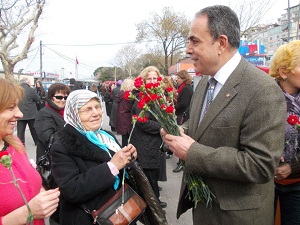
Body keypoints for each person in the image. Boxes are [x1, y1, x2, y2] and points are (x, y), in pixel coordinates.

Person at [161, 5, 286, 225]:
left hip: (238, 217)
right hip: (205, 211)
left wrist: (192, 152)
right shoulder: (204, 84)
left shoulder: (262, 89)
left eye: (195, 41)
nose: (188, 49)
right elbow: (205, 124)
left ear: (221, 43)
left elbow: (260, 165)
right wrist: (182, 131)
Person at [50, 89, 137, 225]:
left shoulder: (106, 136)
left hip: (118, 212)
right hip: (89, 217)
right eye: (87, 109)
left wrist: (129, 158)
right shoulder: (62, 146)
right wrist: (112, 166)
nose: (96, 113)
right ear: (74, 114)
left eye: (97, 107)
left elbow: (122, 171)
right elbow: (72, 189)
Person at [0, 78, 60, 225]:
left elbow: (29, 182)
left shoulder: (14, 144)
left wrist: (42, 194)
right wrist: (26, 213)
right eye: (10, 108)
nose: (19, 114)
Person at [269, 40, 300, 225]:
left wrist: (293, 167)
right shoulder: (264, 96)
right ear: (283, 72)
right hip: (264, 182)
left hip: (297, 184)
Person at [130, 66, 167, 209]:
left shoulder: (156, 95)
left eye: (155, 78)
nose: (152, 81)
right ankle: (153, 208)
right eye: (149, 78)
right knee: (148, 178)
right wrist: (162, 126)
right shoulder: (141, 98)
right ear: (144, 81)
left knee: (151, 176)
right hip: (145, 144)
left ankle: (153, 203)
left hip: (152, 143)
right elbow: (142, 122)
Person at [171, 70, 193, 171]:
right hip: (182, 113)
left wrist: (174, 108)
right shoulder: (183, 88)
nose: (177, 80)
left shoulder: (186, 89)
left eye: (179, 78)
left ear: (183, 78)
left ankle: (182, 162)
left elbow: (184, 103)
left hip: (183, 115)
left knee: (181, 138)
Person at [17, 78, 40, 146]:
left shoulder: (17, 90)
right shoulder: (31, 90)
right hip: (31, 114)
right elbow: (38, 99)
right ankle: (37, 142)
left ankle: (21, 144)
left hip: (20, 114)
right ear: (27, 83)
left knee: (20, 132)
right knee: (34, 130)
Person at [115, 78, 135, 147]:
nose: (134, 86)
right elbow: (131, 108)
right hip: (126, 119)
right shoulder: (127, 95)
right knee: (128, 140)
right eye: (132, 85)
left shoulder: (122, 94)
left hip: (122, 119)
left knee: (125, 138)